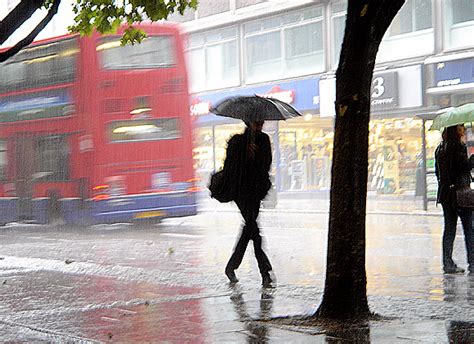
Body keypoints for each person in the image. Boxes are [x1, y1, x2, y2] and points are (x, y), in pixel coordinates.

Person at [223, 120, 275, 287]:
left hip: (256, 191)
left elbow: (266, 166)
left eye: (261, 123)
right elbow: (229, 168)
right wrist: (245, 156)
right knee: (253, 228)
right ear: (248, 123)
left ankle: (231, 267)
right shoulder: (236, 142)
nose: (260, 125)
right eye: (256, 123)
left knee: (250, 229)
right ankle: (265, 271)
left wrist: (256, 156)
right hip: (240, 192)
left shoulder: (264, 140)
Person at [435, 124, 474, 274]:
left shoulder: (440, 148)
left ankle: (447, 263)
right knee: (469, 228)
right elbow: (462, 168)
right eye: (461, 127)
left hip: (445, 194)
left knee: (449, 229)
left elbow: (439, 173)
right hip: (460, 193)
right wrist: (471, 160)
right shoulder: (458, 147)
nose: (463, 129)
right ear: (455, 130)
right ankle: (472, 262)